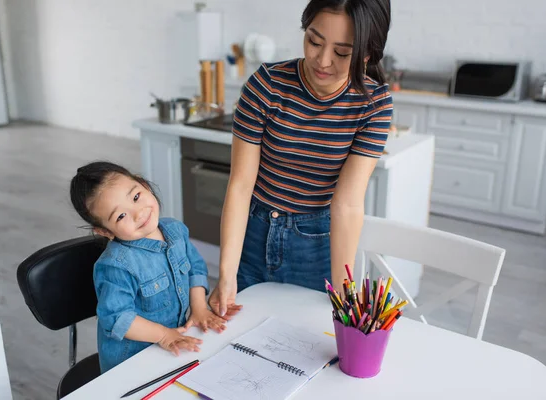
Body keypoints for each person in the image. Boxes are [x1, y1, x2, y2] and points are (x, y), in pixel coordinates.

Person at [209, 0, 393, 318]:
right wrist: (226, 274)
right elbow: (240, 185)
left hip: (319, 242)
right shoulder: (266, 85)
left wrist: (344, 293)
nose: (322, 61)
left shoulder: (373, 104)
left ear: (366, 53)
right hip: (254, 233)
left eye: (342, 52)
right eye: (314, 41)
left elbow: (347, 204)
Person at [70, 161, 226, 373]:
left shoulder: (175, 230)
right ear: (105, 232)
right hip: (132, 363)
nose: (138, 213)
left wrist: (198, 308)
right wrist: (163, 335)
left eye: (136, 197)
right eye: (121, 216)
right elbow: (117, 319)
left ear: (145, 186)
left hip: (173, 346)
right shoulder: (115, 266)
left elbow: (195, 268)